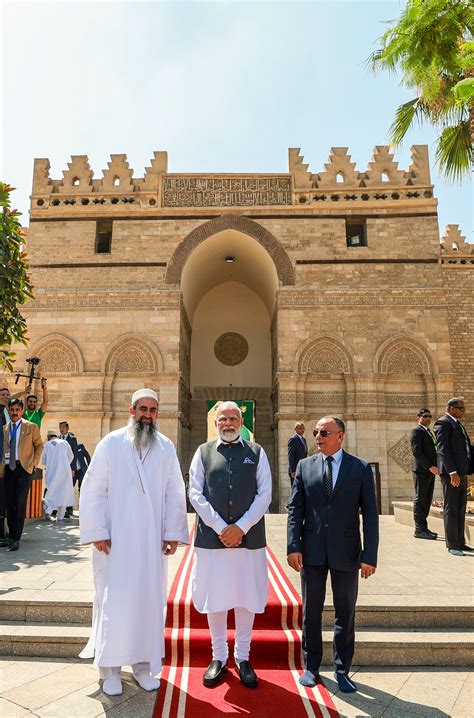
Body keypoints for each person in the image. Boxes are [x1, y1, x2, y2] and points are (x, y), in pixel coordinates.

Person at [79, 388, 189, 697]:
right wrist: (97, 530)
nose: (148, 415)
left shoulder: (165, 448)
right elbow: (93, 489)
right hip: (114, 541)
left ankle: (143, 667)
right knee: (113, 599)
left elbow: (173, 492)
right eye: (143, 409)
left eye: (153, 410)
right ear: (132, 410)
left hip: (150, 543)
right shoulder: (111, 444)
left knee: (147, 602)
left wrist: (172, 533)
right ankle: (109, 670)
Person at [287, 416, 379, 694]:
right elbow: (296, 509)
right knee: (311, 612)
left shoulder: (360, 468)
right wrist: (293, 546)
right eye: (315, 432)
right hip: (312, 551)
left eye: (324, 432)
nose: (317, 436)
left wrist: (369, 556)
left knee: (345, 613)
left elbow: (371, 516)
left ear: (340, 436)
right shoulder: (305, 466)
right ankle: (311, 667)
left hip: (347, 552)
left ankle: (342, 670)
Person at [188, 401, 272, 689]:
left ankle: (243, 657)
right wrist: (223, 528)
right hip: (213, 539)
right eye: (222, 419)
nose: (228, 423)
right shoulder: (203, 452)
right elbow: (195, 493)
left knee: (246, 595)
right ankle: (219, 656)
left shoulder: (257, 452)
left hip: (249, 541)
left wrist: (241, 527)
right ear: (216, 423)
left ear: (241, 422)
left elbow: (265, 494)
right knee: (216, 595)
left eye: (233, 418)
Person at [0, 399, 43, 551]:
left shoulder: (31, 427)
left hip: (24, 469)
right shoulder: (4, 428)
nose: (14, 413)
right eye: (12, 410)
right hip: (8, 469)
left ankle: (15, 538)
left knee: (19, 503)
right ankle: (11, 536)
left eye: (17, 409)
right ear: (9, 410)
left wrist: (33, 464)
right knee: (10, 503)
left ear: (21, 410)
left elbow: (39, 445)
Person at [433, 397, 473, 557]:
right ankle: (452, 544)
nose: (463, 411)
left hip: (461, 472)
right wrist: (452, 472)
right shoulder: (442, 423)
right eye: (460, 408)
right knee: (451, 507)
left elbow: (465, 448)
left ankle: (460, 542)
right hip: (452, 474)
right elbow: (443, 449)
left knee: (461, 507)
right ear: (451, 408)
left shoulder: (457, 424)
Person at [410, 409, 438, 540]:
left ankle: (424, 528)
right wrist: (429, 466)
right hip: (422, 471)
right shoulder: (417, 431)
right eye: (425, 416)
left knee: (427, 500)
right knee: (420, 499)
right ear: (418, 418)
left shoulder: (428, 432)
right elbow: (417, 452)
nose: (428, 418)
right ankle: (419, 529)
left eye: (429, 416)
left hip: (431, 471)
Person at [41, 430, 74, 521]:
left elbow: (43, 461)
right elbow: (71, 456)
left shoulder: (47, 445)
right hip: (65, 472)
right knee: (63, 493)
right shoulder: (65, 442)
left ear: (48, 437)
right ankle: (60, 517)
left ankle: (48, 511)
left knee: (51, 492)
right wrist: (65, 464)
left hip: (52, 471)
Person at [59, 421, 79, 518]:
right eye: (60, 427)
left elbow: (74, 454)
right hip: (60, 469)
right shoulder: (57, 439)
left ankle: (69, 509)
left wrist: (73, 468)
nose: (61, 429)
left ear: (67, 429)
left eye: (63, 427)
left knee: (69, 488)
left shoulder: (72, 439)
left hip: (69, 468)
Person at [288, 421, 308, 485]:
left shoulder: (303, 439)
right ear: (296, 429)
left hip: (302, 469)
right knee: (295, 489)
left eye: (303, 428)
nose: (302, 430)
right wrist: (293, 470)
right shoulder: (293, 439)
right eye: (300, 428)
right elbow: (291, 456)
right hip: (295, 470)